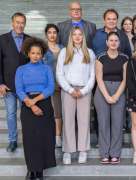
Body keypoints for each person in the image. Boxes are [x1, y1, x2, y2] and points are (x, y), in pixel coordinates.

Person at [90, 9, 131, 146]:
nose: (111, 21)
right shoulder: (96, 34)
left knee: (117, 113)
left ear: (117, 21)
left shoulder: (123, 36)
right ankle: (101, 140)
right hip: (100, 75)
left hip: (119, 79)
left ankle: (115, 141)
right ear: (104, 20)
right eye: (109, 19)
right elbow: (90, 53)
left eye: (114, 19)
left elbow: (127, 55)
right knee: (100, 112)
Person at [15, 37, 55, 180]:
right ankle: (32, 170)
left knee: (43, 138)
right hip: (27, 105)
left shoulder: (46, 69)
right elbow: (19, 89)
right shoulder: (21, 69)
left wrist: (35, 101)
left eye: (38, 53)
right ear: (28, 53)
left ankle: (40, 170)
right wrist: (31, 104)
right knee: (30, 139)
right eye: (33, 53)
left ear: (42, 54)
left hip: (43, 102)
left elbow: (50, 88)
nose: (36, 56)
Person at [56, 26, 96, 165]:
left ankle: (83, 150)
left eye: (80, 34)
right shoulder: (64, 52)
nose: (77, 37)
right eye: (75, 34)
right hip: (68, 90)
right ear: (71, 36)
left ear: (83, 37)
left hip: (84, 90)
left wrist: (84, 91)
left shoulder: (89, 53)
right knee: (67, 120)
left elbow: (93, 75)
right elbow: (59, 74)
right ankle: (68, 151)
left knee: (84, 120)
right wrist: (69, 89)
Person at [95, 32, 128, 164]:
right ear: (107, 42)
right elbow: (99, 78)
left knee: (117, 123)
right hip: (103, 91)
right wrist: (107, 96)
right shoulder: (100, 57)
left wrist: (117, 95)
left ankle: (115, 153)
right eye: (111, 40)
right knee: (103, 123)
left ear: (119, 42)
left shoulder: (124, 58)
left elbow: (125, 79)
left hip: (119, 91)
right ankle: (104, 152)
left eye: (116, 40)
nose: (113, 43)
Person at [0, 12, 30, 152]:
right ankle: (12, 140)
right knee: (11, 113)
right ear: (12, 22)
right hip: (9, 84)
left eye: (22, 22)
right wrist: (0, 83)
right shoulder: (2, 39)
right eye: (17, 22)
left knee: (26, 113)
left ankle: (27, 139)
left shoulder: (30, 40)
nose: (20, 25)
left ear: (25, 24)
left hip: (25, 85)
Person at [39, 24, 64, 148]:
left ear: (57, 34)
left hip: (60, 86)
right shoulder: (41, 49)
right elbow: (38, 69)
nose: (52, 35)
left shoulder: (63, 49)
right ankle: (48, 136)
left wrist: (62, 83)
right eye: (50, 32)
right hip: (47, 86)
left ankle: (57, 137)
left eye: (54, 32)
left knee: (58, 112)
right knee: (48, 111)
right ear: (46, 34)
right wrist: (49, 84)